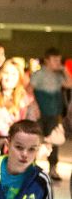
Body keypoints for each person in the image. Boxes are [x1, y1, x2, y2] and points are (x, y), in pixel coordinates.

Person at [30, 47, 72, 181]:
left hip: (54, 112)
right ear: (47, 60)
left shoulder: (59, 75)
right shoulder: (39, 74)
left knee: (54, 140)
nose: (58, 63)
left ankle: (53, 168)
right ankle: (31, 166)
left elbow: (70, 84)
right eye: (55, 60)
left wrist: (64, 69)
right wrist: (34, 105)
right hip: (40, 112)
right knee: (35, 139)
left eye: (59, 60)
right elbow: (29, 89)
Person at [0, 58, 40, 151]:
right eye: (6, 73)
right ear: (0, 75)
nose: (9, 78)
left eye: (13, 74)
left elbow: (31, 129)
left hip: (16, 149)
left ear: (19, 78)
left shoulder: (27, 101)